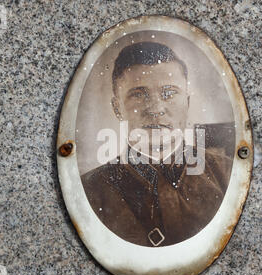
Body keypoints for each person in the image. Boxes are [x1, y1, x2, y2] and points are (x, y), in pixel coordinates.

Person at [81, 42, 232, 247]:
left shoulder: (228, 173)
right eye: (139, 94)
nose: (155, 109)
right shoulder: (88, 191)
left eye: (169, 93)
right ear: (117, 108)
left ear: (186, 102)